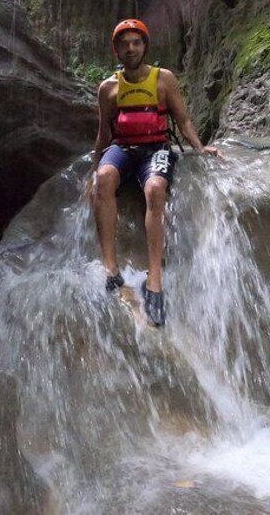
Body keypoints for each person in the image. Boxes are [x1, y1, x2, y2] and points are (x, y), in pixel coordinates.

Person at [89, 18, 222, 327]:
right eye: (125, 44)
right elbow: (103, 133)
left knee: (154, 189)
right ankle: (110, 267)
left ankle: (155, 281)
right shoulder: (108, 88)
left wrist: (200, 148)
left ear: (145, 46)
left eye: (136, 42)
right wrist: (94, 168)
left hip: (156, 150)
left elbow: (183, 120)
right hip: (123, 150)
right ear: (117, 51)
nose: (131, 48)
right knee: (105, 179)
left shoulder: (164, 80)